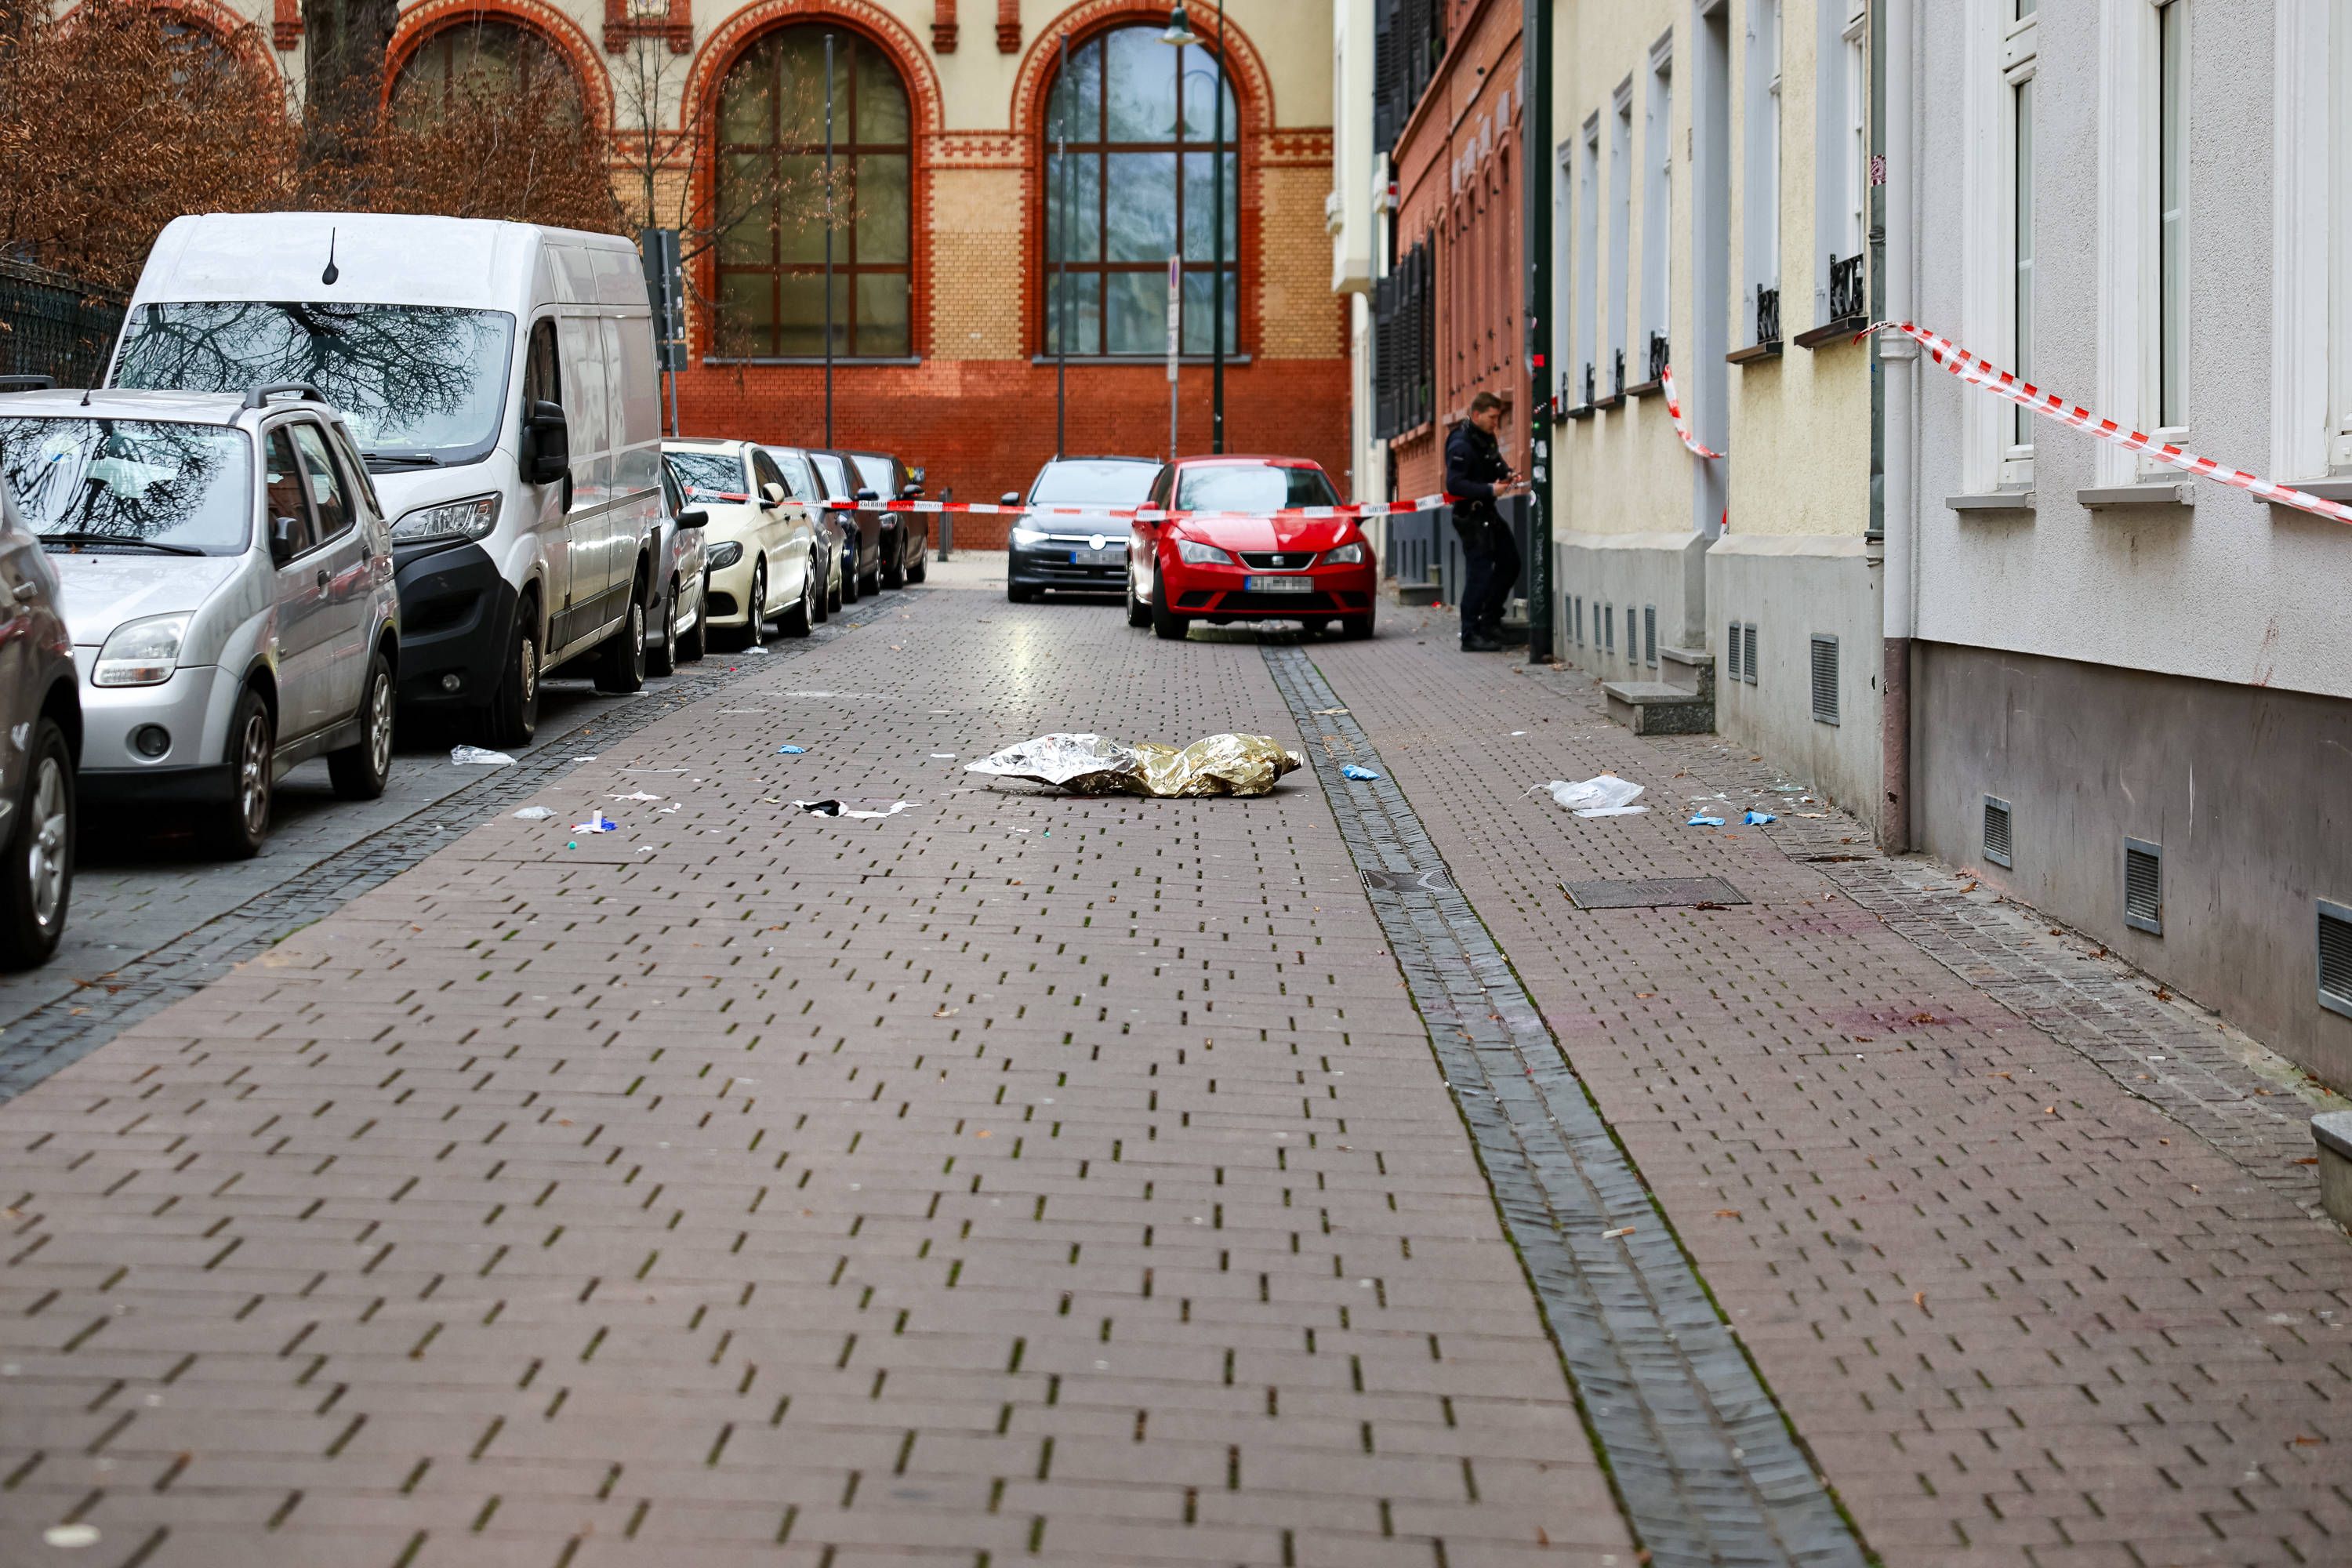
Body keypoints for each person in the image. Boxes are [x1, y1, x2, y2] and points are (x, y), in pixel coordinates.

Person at [1443, 391, 1530, 652]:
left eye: (1499, 417)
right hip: (1470, 516)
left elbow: (1495, 462)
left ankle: (1490, 622)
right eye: (1493, 417)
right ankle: (1470, 634)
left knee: (1510, 562)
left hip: (1488, 514)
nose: (1497, 423)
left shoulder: (1485, 438)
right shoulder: (1460, 444)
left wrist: (1507, 474)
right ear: (1478, 414)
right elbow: (1455, 483)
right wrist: (1490, 490)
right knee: (1479, 574)